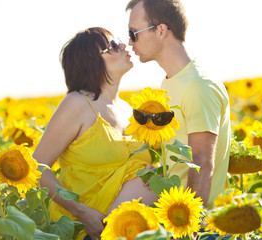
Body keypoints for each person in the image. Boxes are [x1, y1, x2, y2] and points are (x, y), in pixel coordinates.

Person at [33, 27, 157, 240]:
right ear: (90, 62)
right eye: (113, 46)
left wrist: (149, 169)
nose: (123, 46)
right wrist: (83, 213)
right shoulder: (77, 103)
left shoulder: (129, 109)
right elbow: (37, 167)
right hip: (87, 227)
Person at [126, 0, 231, 209]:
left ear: (161, 30)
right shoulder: (171, 81)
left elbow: (201, 162)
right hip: (175, 213)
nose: (130, 43)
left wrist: (188, 228)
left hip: (202, 225)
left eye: (133, 33)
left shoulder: (197, 85)